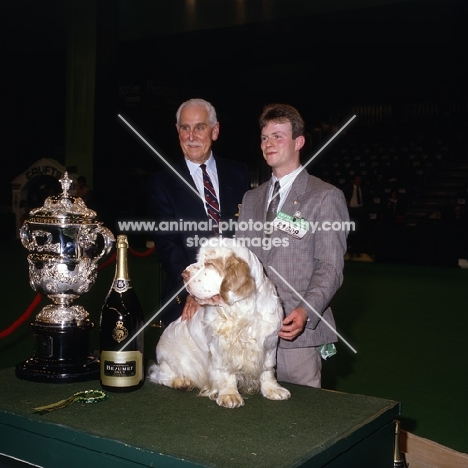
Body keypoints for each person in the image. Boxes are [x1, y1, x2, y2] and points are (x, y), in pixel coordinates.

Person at [236, 103, 349, 388]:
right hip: (251, 334)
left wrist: (306, 310)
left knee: (303, 424)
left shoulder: (325, 197)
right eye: (264, 137)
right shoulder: (251, 199)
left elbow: (330, 267)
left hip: (295, 337)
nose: (269, 143)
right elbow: (240, 262)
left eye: (278, 136)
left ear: (299, 142)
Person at [147, 98, 249, 325]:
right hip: (189, 303)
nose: (191, 136)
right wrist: (198, 291)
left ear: (215, 131)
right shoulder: (162, 183)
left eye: (200, 127)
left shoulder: (239, 174)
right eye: (185, 128)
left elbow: (246, 236)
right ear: (177, 131)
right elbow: (169, 247)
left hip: (238, 299)